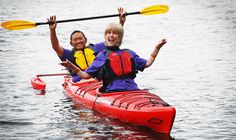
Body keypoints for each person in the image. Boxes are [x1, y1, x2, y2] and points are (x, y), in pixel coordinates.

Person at [60, 22, 167, 92]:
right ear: (105, 37)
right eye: (108, 33)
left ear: (119, 37)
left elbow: (148, 63)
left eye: (114, 33)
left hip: (133, 90)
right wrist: (73, 68)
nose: (111, 35)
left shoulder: (130, 53)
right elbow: (87, 76)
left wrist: (157, 48)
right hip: (112, 92)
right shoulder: (102, 56)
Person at [48, 7, 126, 82]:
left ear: (85, 40)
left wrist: (121, 22)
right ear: (71, 43)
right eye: (75, 40)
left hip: (97, 78)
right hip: (79, 80)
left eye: (80, 38)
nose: (78, 41)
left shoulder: (96, 48)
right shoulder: (69, 54)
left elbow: (112, 40)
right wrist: (52, 30)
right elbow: (55, 46)